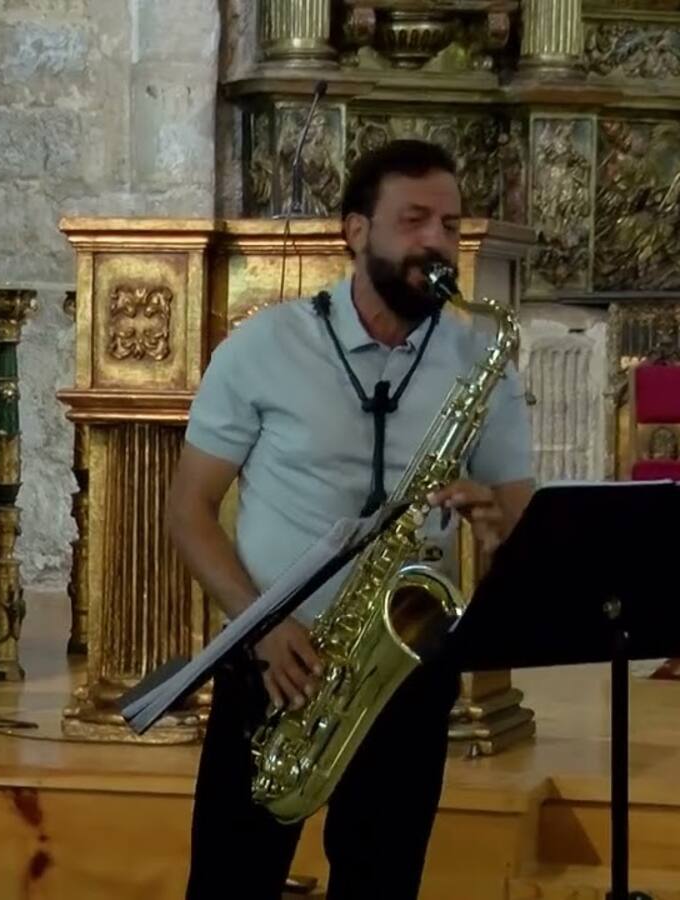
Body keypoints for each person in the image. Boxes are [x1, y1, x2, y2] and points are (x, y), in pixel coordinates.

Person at [170, 139, 536, 899]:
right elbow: (187, 511)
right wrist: (262, 626)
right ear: (355, 230)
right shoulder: (265, 346)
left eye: (449, 222)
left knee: (383, 883)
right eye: (414, 220)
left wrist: (496, 524)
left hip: (403, 666)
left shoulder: (480, 357)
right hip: (277, 660)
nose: (437, 240)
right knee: (230, 883)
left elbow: (523, 528)